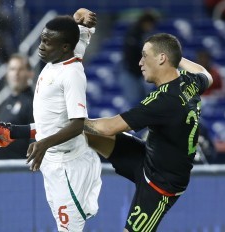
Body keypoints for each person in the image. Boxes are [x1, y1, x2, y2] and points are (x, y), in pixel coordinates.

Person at [0, 8, 102, 232]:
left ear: (64, 47)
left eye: (47, 42)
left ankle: (11, 132)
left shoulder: (72, 74)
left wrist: (43, 144)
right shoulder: (60, 58)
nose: (41, 46)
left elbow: (77, 125)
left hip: (68, 166)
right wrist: (78, 21)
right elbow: (77, 38)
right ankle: (11, 132)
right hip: (52, 162)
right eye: (41, 39)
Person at [82, 33, 213, 231]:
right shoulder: (189, 83)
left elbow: (108, 127)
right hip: (147, 159)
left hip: (160, 186)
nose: (140, 62)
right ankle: (24, 132)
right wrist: (175, 57)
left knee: (79, 128)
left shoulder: (163, 101)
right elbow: (206, 74)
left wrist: (74, 119)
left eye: (145, 55)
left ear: (161, 58)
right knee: (81, 134)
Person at [0, 54, 34, 159]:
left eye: (21, 69)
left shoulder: (33, 102)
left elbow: (36, 137)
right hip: (1, 169)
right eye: (12, 69)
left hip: (21, 170)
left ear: (30, 74)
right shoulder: (8, 101)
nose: (16, 73)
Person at [119, 11, 158, 105]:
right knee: (134, 103)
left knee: (145, 101)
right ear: (146, 22)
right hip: (131, 73)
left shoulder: (145, 35)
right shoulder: (133, 33)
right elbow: (131, 56)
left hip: (140, 73)